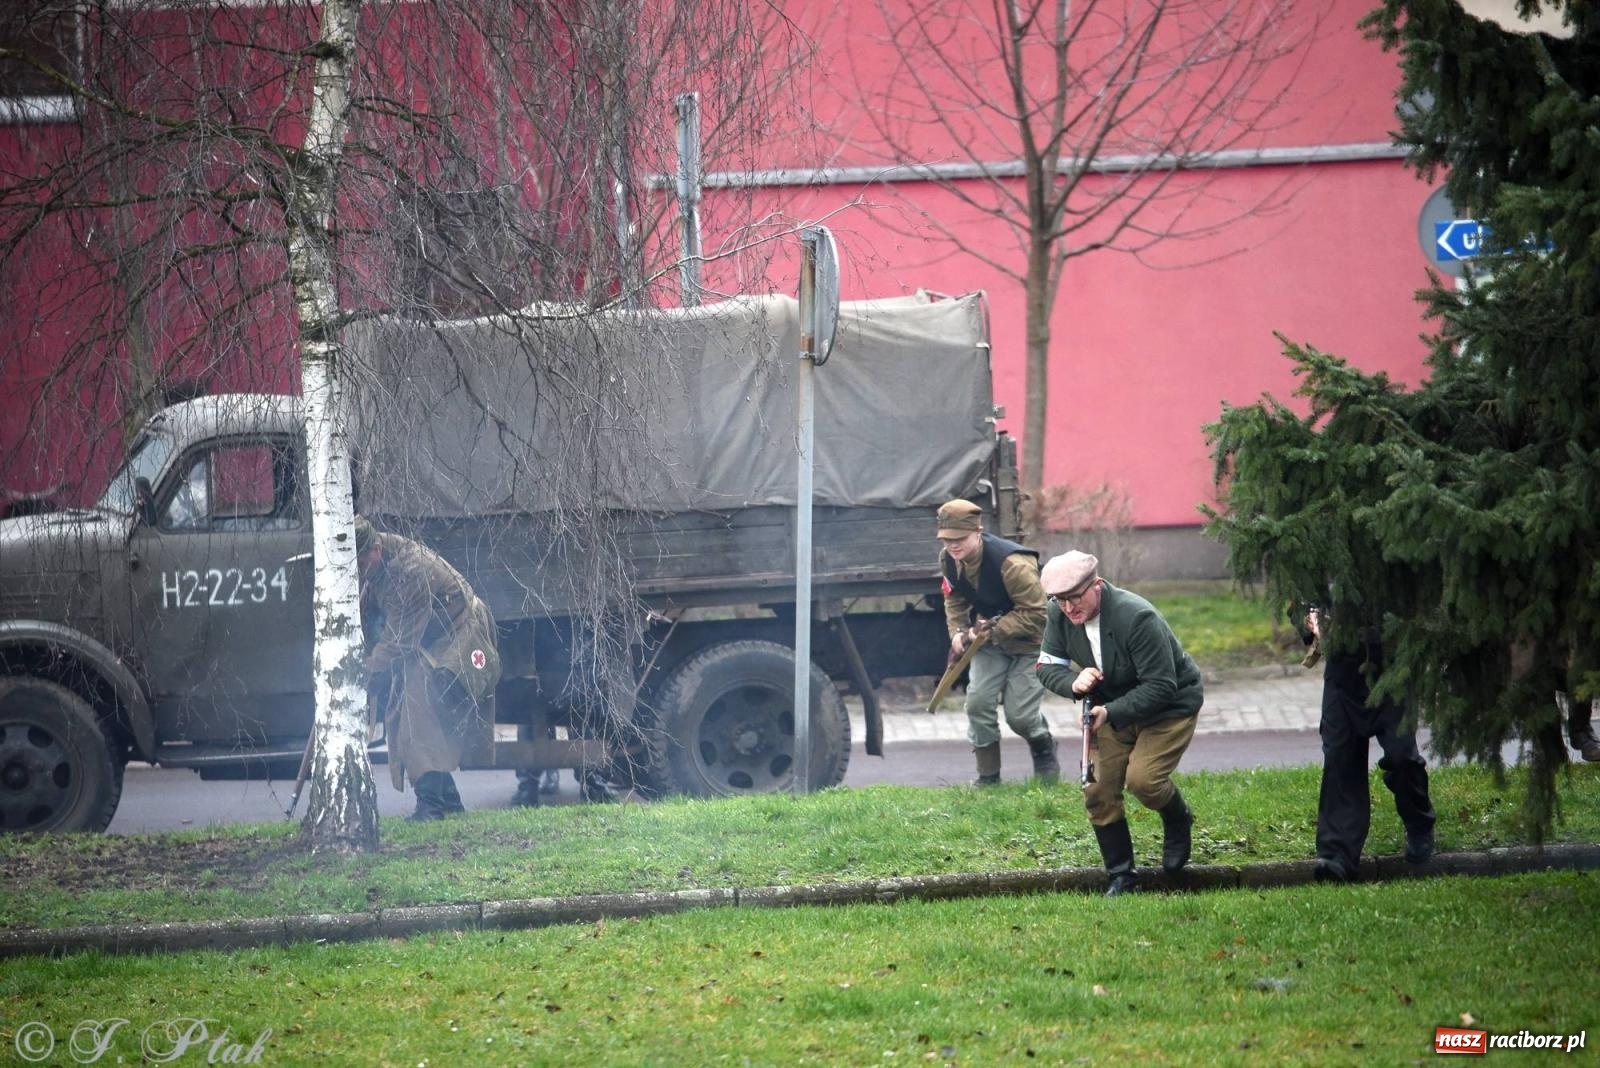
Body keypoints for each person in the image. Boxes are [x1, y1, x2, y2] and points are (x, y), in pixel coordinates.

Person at [1036, 550, 1202, 895]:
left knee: (1144, 781)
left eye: (1074, 597)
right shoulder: (1059, 614)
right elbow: (1046, 666)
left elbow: (1161, 685)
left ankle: (1177, 818)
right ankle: (1123, 878)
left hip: (1167, 709)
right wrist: (1072, 683)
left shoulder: (1136, 617)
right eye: (1058, 600)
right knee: (1096, 789)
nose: (1068, 608)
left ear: (1096, 585)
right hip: (1108, 709)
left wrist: (1109, 713)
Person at [355, 516, 502, 821]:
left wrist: (362, 674)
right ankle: (447, 799)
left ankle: (432, 804)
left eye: (361, 563)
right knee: (408, 710)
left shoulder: (408, 573)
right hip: (430, 635)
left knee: (416, 709)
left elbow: (398, 642)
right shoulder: (375, 564)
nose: (357, 572)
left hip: (458, 632)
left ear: (376, 550)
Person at [1303, 606, 1435, 882]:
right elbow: (1301, 593)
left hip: (1391, 662)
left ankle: (1419, 822)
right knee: (1340, 756)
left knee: (1401, 755)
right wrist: (1308, 620)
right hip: (1342, 666)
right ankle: (1337, 856)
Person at [936, 499, 1058, 785]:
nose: (953, 546)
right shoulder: (948, 560)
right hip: (990, 643)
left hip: (1031, 644)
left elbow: (1039, 614)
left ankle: (1043, 747)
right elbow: (953, 598)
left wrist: (990, 630)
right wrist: (957, 632)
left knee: (1021, 717)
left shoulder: (1013, 565)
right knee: (977, 704)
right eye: (946, 539)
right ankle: (988, 777)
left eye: (960, 539)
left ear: (978, 531)